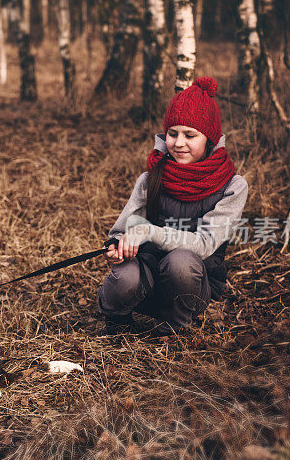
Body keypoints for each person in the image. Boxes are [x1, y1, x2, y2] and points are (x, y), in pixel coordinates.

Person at [97, 77, 248, 335]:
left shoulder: (233, 186)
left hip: (191, 285)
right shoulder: (151, 178)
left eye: (190, 135)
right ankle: (118, 320)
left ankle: (175, 328)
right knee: (125, 276)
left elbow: (205, 244)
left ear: (210, 140)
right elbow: (122, 229)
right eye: (172, 133)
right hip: (147, 273)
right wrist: (118, 245)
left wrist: (148, 232)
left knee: (181, 262)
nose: (178, 143)